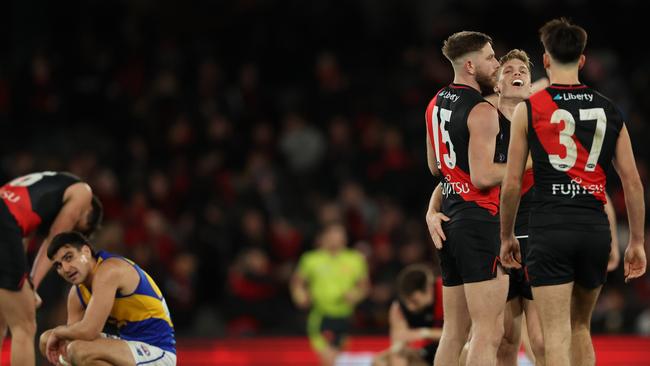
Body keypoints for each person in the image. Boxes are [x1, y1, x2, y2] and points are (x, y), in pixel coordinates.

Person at [499, 18, 646, 366]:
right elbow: (632, 182)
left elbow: (512, 183)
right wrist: (636, 241)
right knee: (581, 327)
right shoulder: (609, 110)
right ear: (582, 61)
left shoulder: (529, 109)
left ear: (546, 61)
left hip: (549, 229)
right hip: (593, 228)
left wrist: (506, 236)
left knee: (556, 334)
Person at [424, 31, 508, 366]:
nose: (497, 63)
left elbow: (436, 167)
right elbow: (484, 176)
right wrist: (525, 164)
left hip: (451, 220)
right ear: (471, 65)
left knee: (453, 331)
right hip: (478, 220)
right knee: (487, 333)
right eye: (490, 57)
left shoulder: (434, 103)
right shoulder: (482, 110)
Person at [0, 171, 102, 366]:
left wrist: (25, 280)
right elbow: (55, 238)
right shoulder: (83, 192)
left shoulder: (52, 185)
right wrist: (31, 286)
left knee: (2, 318)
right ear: (89, 213)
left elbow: (19, 238)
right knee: (25, 325)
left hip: (6, 221)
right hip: (5, 224)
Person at [39, 231, 176, 366]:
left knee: (79, 350)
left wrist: (58, 332)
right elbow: (70, 340)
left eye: (69, 257)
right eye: (58, 265)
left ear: (86, 251)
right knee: (48, 340)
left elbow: (89, 331)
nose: (66, 269)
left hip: (157, 350)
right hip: (127, 344)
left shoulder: (109, 270)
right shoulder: (76, 293)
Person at [290, 221, 370, 366]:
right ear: (324, 237)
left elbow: (364, 287)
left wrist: (356, 295)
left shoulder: (355, 259)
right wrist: (300, 295)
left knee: (337, 361)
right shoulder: (311, 259)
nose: (336, 238)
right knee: (328, 359)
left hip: (345, 318)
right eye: (332, 234)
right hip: (321, 317)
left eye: (340, 234)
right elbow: (297, 282)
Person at [372, 264, 443, 366]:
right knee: (381, 361)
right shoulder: (398, 308)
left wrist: (424, 333)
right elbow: (398, 345)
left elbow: (463, 335)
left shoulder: (446, 292)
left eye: (414, 301)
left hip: (452, 348)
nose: (410, 307)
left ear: (429, 290)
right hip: (428, 351)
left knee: (465, 352)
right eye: (407, 301)